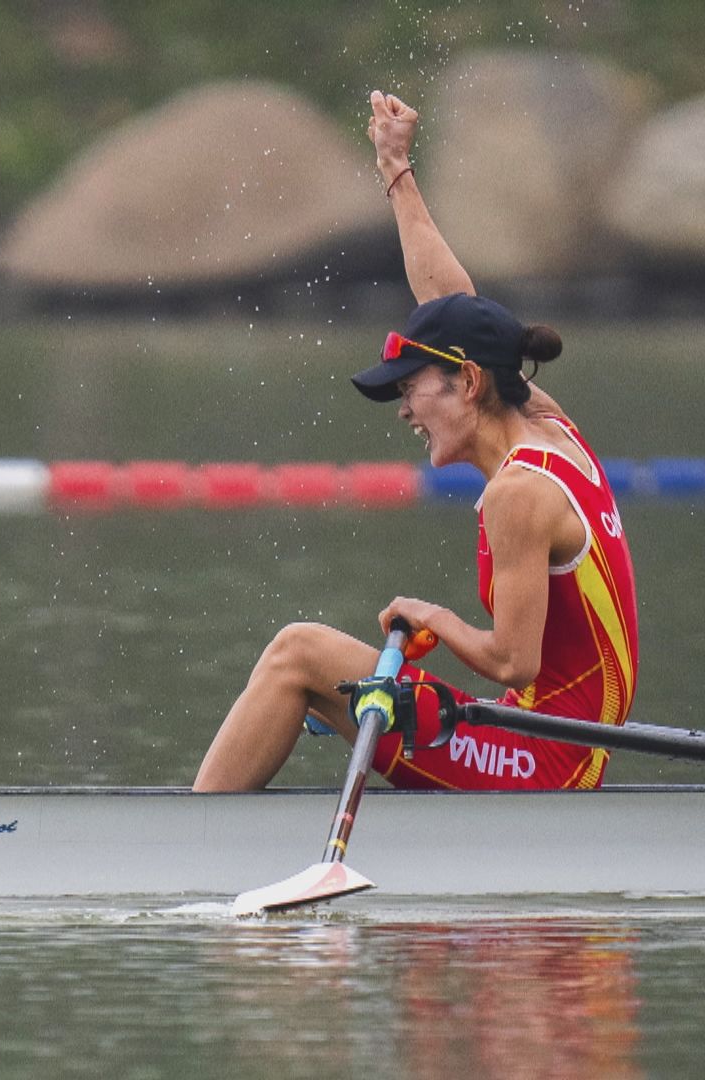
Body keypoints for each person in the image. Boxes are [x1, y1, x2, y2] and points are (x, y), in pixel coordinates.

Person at [193, 90, 638, 792]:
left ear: (465, 385)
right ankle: (207, 824)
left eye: (409, 389)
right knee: (315, 664)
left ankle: (189, 848)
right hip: (538, 740)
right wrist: (395, 168)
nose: (405, 412)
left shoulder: (519, 494)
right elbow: (452, 303)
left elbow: (512, 663)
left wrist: (432, 616)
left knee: (299, 651)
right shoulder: (552, 430)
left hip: (546, 765)